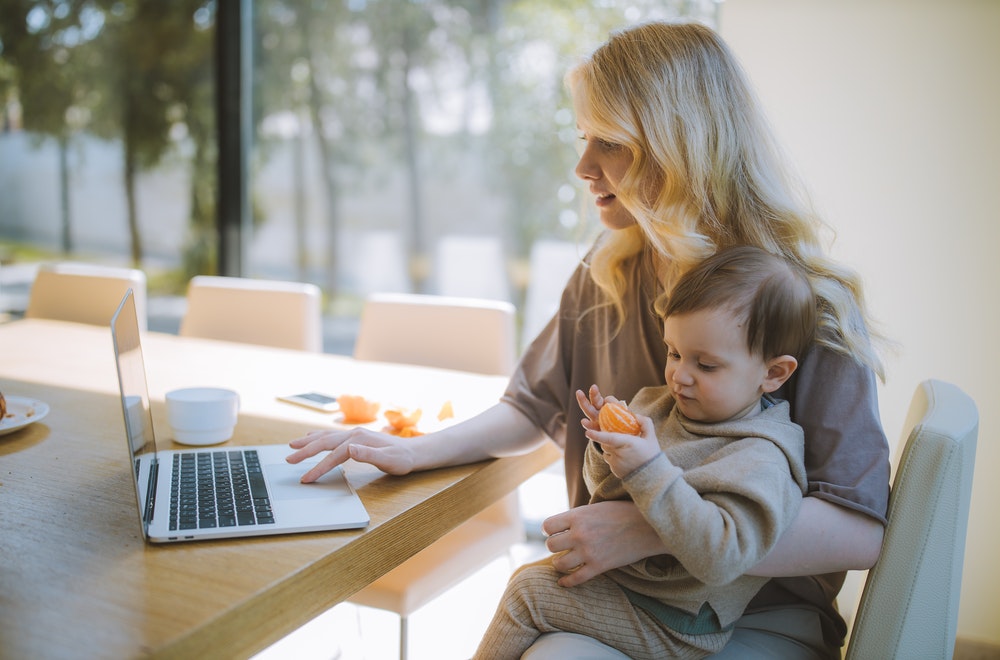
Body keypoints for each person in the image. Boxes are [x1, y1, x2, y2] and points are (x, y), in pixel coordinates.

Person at [287, 21, 889, 658]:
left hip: (754, 616)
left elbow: (858, 531)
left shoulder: (803, 305)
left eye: (611, 143)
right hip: (621, 590)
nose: (582, 166)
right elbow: (530, 407)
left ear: (680, 146)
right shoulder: (608, 270)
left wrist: (653, 527)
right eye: (583, 138)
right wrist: (415, 452)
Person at [473, 246, 816, 659]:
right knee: (532, 579)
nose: (679, 376)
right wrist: (606, 447)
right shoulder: (659, 405)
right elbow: (603, 490)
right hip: (631, 588)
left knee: (528, 594)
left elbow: (723, 558)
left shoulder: (762, 455)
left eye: (706, 365)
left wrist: (649, 468)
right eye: (674, 353)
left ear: (773, 373)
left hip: (678, 620)